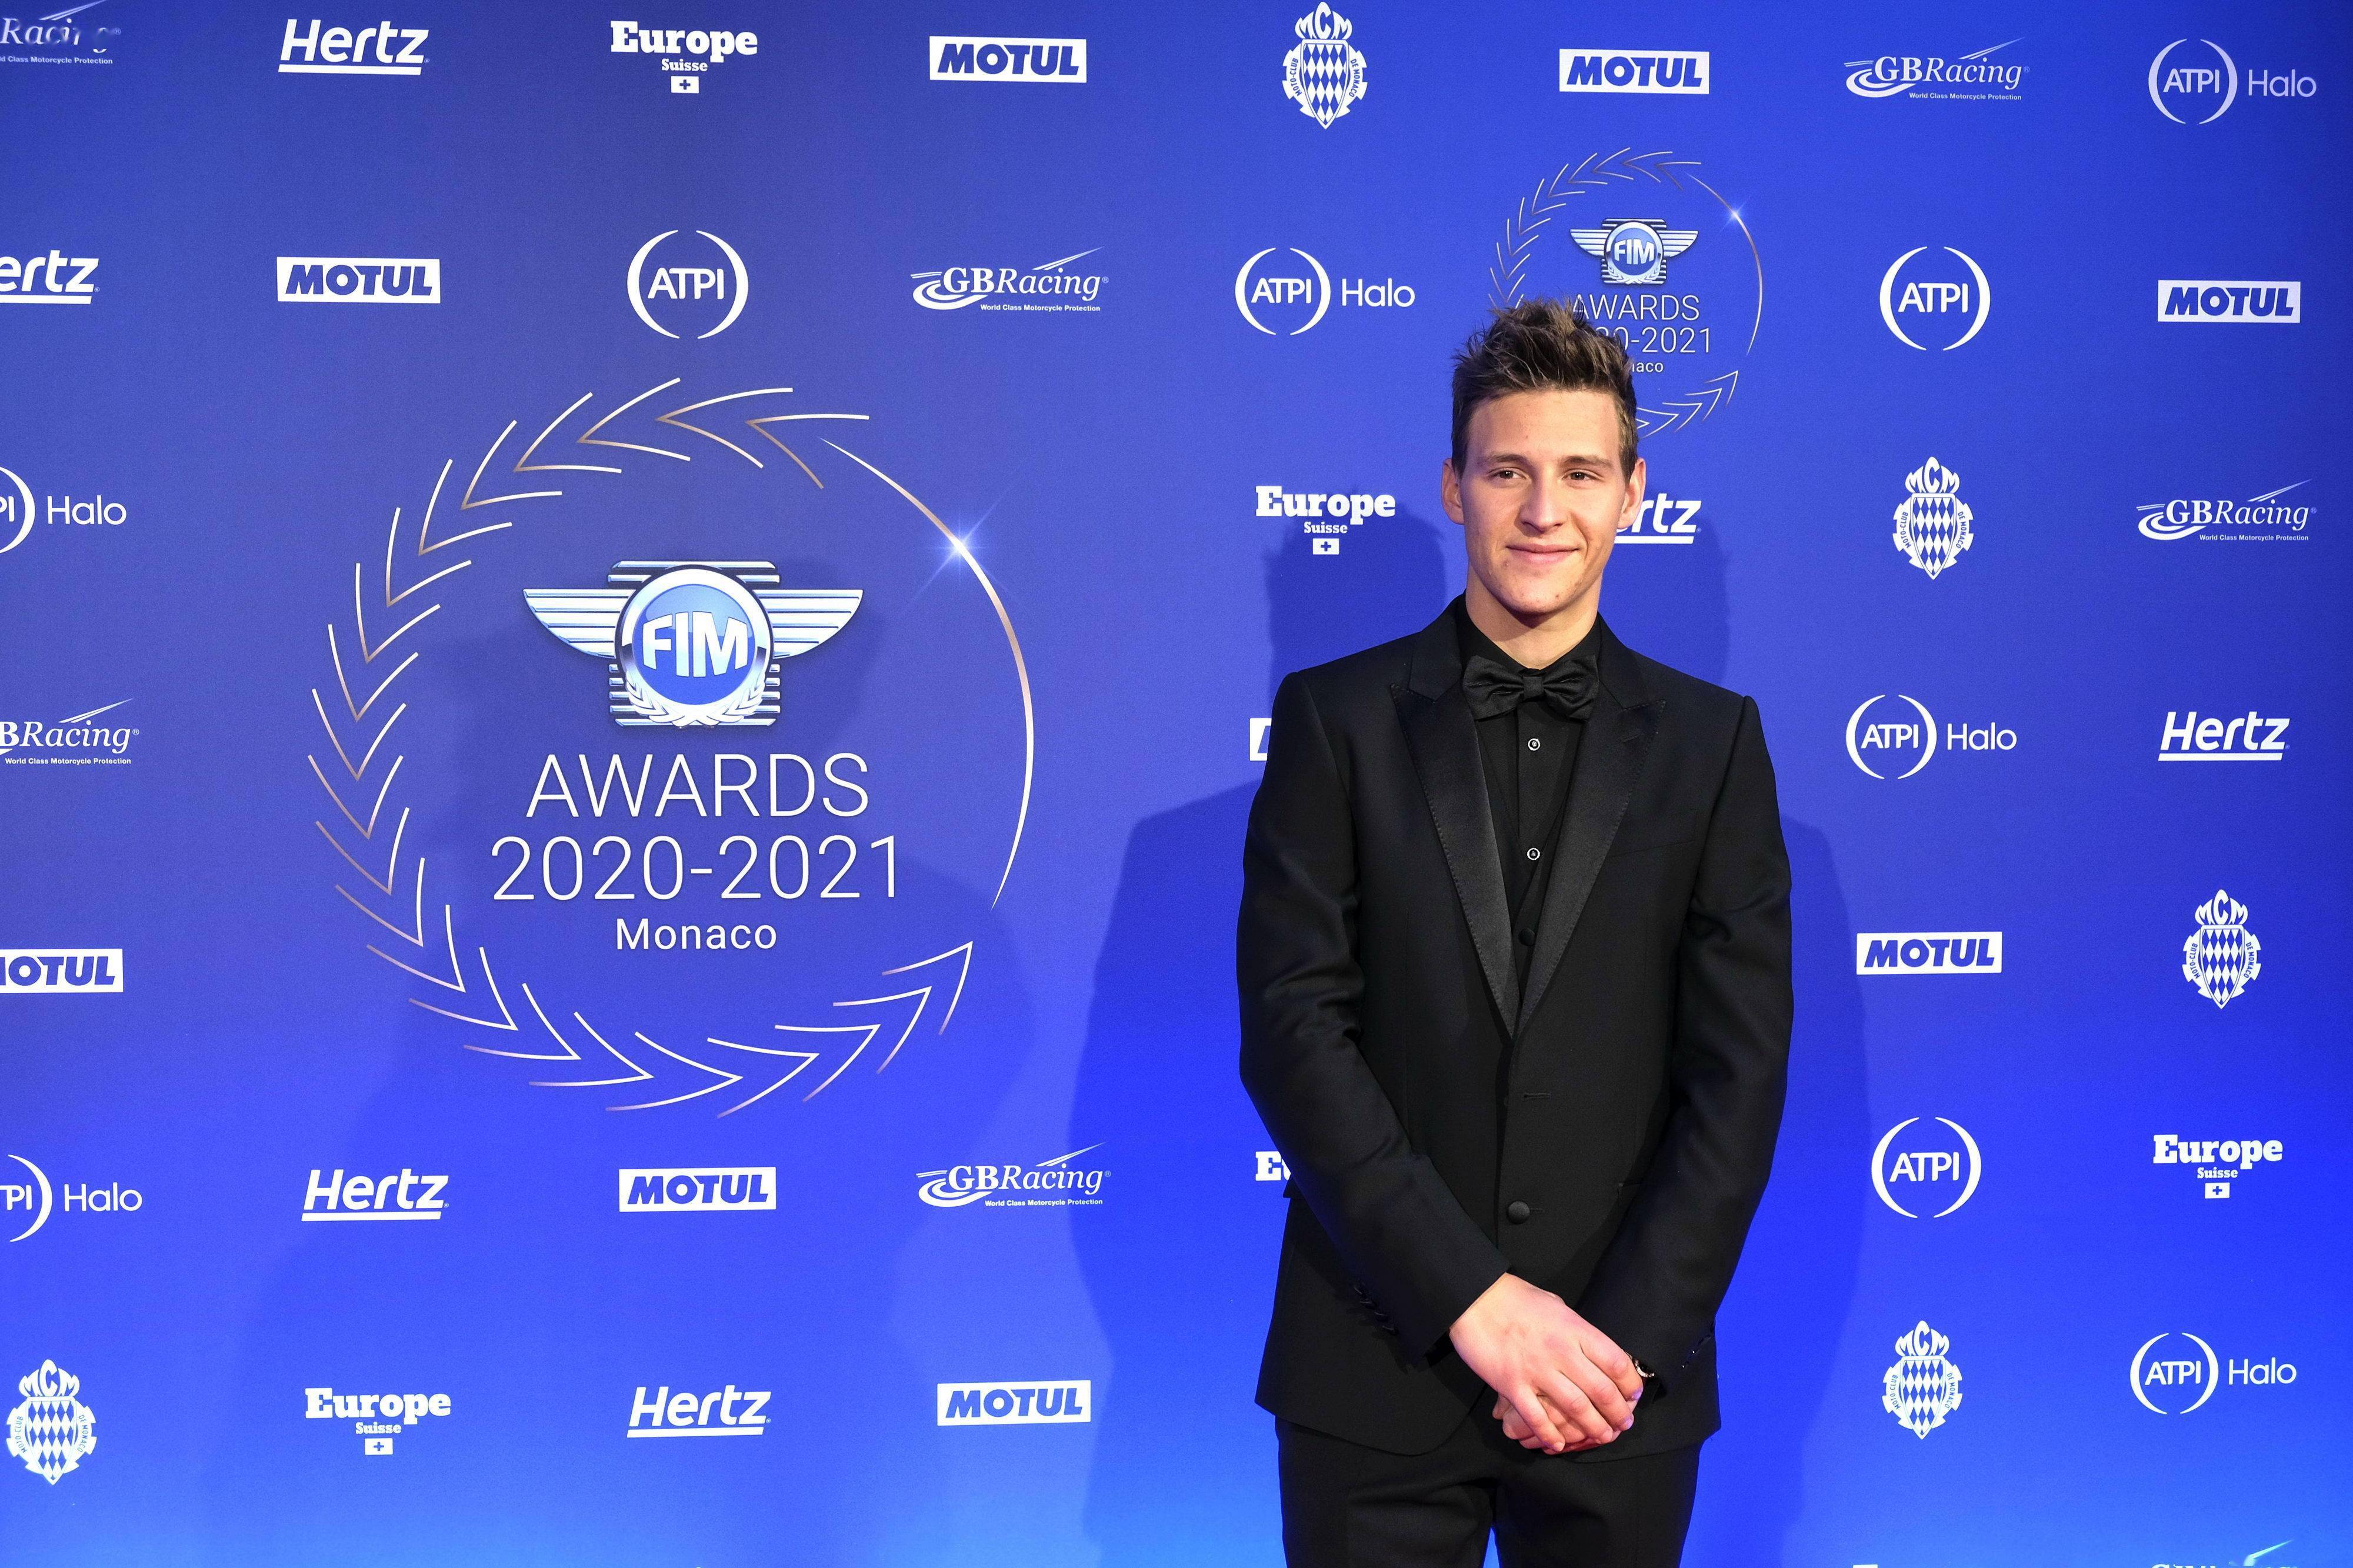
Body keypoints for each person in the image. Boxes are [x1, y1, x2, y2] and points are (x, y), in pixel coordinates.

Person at [1237, 299, 1793, 1567]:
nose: (1544, 510)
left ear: (1634, 492)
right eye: (1507, 472)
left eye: (1580, 472)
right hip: (1375, 1366)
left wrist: (1617, 1350)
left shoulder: (1714, 745)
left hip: (1614, 1383)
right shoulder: (1333, 721)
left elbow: (1739, 1076)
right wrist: (1474, 1303)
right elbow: (1292, 1035)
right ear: (1454, 487)